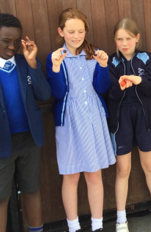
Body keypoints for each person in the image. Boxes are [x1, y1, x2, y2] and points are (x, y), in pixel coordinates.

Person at [0, 13, 51, 232]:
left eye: (16, 41)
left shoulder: (26, 65)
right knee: (0, 196)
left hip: (29, 139)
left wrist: (33, 63)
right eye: (6, 41)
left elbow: (44, 94)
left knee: (32, 189)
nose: (12, 46)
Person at [46, 8, 115, 232]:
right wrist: (56, 67)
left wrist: (103, 66)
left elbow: (102, 88)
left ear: (86, 31)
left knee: (94, 174)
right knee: (71, 175)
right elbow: (57, 93)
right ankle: (73, 226)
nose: (76, 36)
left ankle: (97, 226)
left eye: (80, 31)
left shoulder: (95, 54)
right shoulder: (56, 56)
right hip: (69, 120)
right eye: (71, 31)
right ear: (61, 31)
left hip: (93, 116)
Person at [107, 18, 151, 232]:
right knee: (123, 170)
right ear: (115, 40)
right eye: (119, 39)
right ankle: (121, 219)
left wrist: (138, 80)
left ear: (137, 38)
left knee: (150, 166)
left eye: (128, 38)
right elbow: (110, 94)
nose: (124, 43)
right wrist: (120, 86)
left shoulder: (147, 58)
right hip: (121, 121)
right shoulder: (111, 62)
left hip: (145, 118)